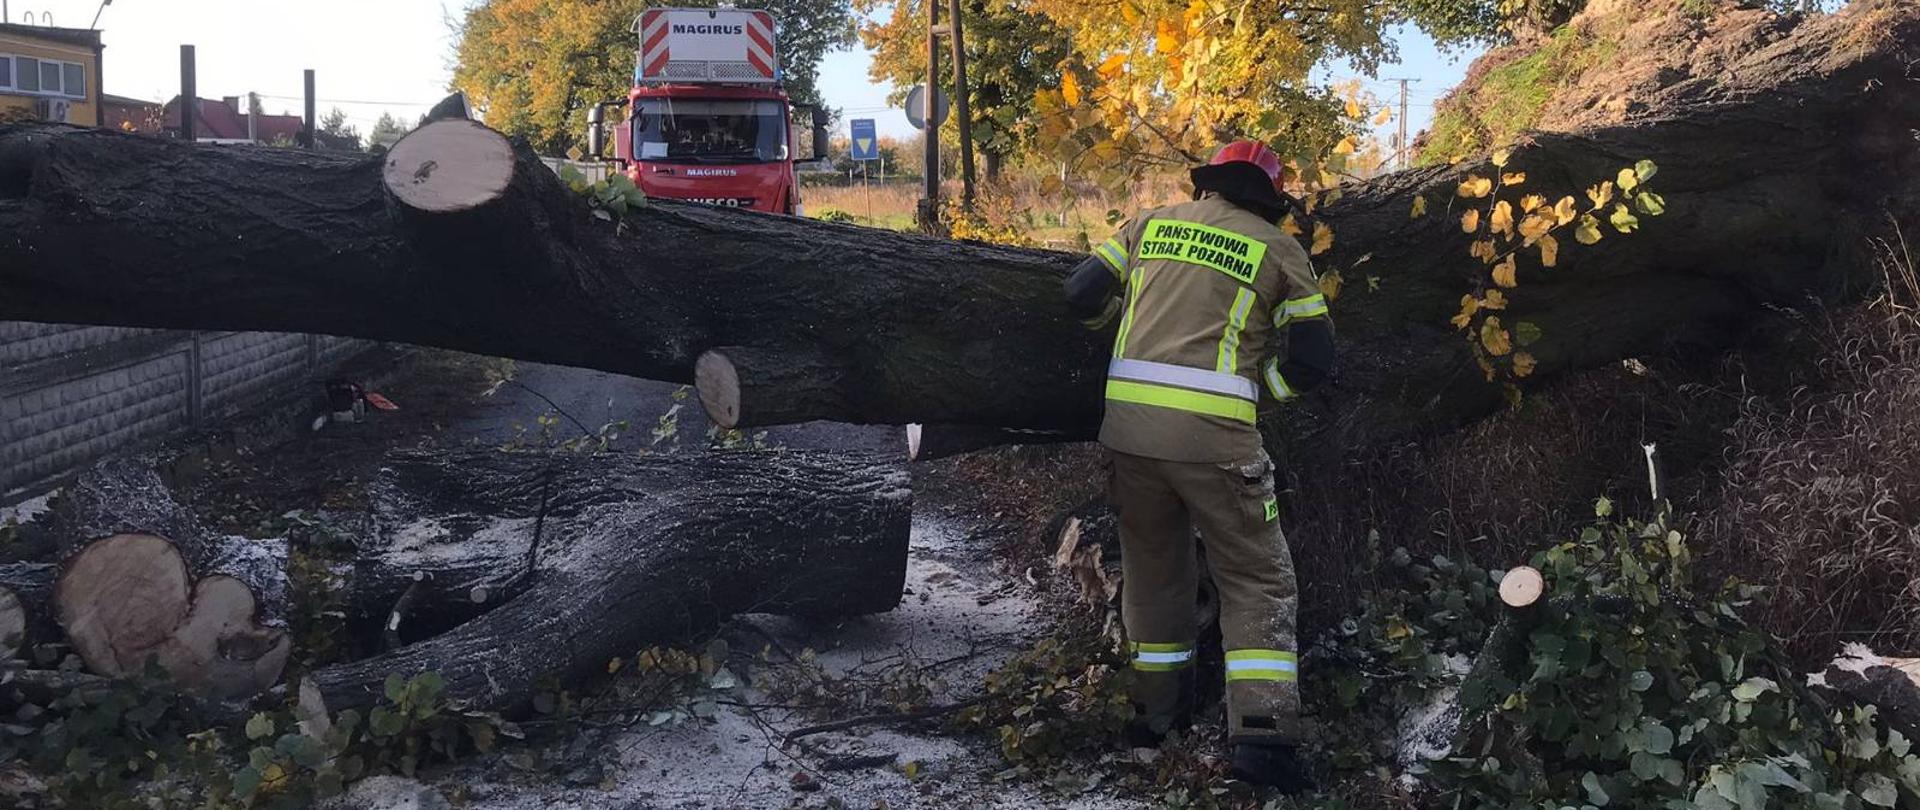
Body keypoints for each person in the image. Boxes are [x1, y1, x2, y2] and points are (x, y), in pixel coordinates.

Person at [1061, 140, 1335, 792]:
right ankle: (1262, 744)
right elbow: (1314, 360)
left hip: (1130, 436)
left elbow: (1079, 293)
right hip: (1217, 445)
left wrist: (1119, 324)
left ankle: (1154, 721)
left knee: (1154, 575)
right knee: (1257, 579)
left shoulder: (1150, 224)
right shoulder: (1278, 248)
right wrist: (1260, 390)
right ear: (1269, 201)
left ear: (1207, 185)